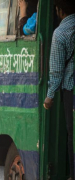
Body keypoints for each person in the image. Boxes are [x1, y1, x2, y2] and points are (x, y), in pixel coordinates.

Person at [43, 0, 75, 179]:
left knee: (73, 134)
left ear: (59, 10)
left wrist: (49, 96)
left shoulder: (61, 33)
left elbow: (56, 70)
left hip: (71, 90)